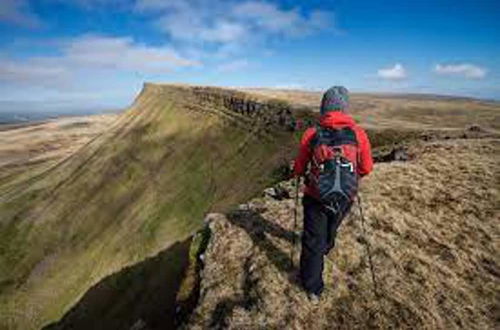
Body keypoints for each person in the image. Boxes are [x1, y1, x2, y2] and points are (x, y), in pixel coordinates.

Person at [293, 86, 373, 302]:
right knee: (331, 225)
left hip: (316, 196)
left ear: (323, 108)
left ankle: (312, 288)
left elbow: (300, 167)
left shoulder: (312, 134)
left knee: (312, 240)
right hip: (345, 197)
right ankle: (327, 246)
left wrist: (300, 172)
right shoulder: (358, 134)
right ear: (345, 108)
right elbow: (366, 167)